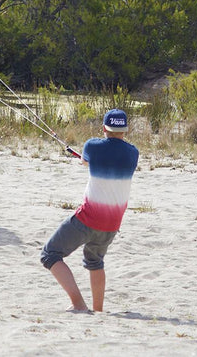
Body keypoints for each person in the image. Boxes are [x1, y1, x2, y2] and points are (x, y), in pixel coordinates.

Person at [40, 108, 139, 313]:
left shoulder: (92, 145)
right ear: (125, 130)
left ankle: (78, 305)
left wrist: (86, 158)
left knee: (49, 254)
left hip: (88, 219)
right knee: (95, 261)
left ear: (104, 128)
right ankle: (98, 311)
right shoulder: (133, 153)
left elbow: (86, 160)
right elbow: (100, 159)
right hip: (112, 224)